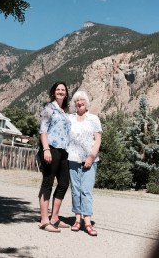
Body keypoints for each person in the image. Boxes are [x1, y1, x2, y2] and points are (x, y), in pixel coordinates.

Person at [68, 90, 102, 236]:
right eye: (77, 100)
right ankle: (77, 220)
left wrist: (91, 157)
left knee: (86, 191)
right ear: (74, 103)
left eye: (82, 100)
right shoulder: (70, 119)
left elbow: (98, 140)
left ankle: (87, 222)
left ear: (86, 102)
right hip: (73, 159)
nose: (80, 102)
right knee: (75, 190)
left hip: (90, 160)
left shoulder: (94, 119)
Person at [38, 81, 71, 233]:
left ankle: (55, 218)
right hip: (51, 148)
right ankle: (44, 221)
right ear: (53, 92)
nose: (60, 91)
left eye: (63, 89)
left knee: (64, 183)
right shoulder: (49, 108)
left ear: (66, 93)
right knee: (48, 183)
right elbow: (43, 130)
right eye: (58, 89)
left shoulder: (64, 111)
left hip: (64, 151)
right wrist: (46, 149)